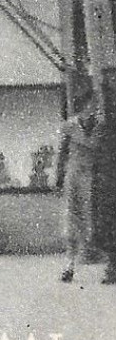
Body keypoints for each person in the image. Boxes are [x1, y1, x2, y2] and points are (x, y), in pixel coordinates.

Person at [59, 84, 105, 283]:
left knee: (95, 220)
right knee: (72, 219)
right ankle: (69, 265)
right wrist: (58, 177)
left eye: (96, 104)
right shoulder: (69, 126)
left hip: (94, 177)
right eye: (91, 103)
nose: (94, 107)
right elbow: (61, 153)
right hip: (74, 176)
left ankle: (106, 263)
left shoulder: (102, 127)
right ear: (83, 105)